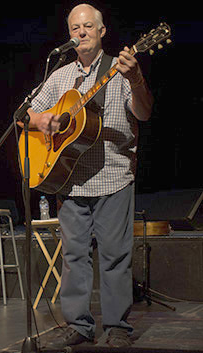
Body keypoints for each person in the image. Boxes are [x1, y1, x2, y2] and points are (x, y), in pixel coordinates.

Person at [26, 4, 153, 349]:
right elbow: (26, 115)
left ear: (101, 31)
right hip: (69, 177)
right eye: (74, 28)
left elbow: (143, 113)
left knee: (114, 255)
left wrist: (136, 79)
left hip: (113, 176)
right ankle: (78, 325)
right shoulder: (60, 75)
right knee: (73, 256)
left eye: (87, 27)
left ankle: (116, 328)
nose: (80, 32)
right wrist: (42, 121)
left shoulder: (119, 70)